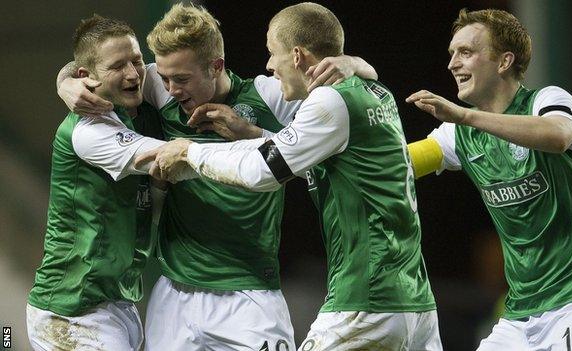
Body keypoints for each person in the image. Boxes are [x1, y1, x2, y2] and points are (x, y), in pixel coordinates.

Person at [57, 4, 378, 350]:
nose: (170, 88)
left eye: (181, 79)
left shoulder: (271, 96)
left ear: (216, 66)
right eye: (163, 78)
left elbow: (347, 99)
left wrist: (354, 64)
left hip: (251, 295)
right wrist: (64, 81)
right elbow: (105, 73)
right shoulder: (161, 85)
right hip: (174, 293)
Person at [137, 3, 442, 350]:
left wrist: (189, 153)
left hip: (365, 296)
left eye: (272, 52)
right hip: (414, 299)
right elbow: (289, 154)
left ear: (296, 56)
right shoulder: (377, 93)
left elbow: (261, 171)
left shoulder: (327, 102)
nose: (268, 64)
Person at [405, 8, 572, 350]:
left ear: (504, 61)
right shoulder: (458, 135)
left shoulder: (547, 100)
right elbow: (396, 166)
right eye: (452, 54)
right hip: (521, 312)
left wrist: (466, 116)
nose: (452, 64)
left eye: (466, 52)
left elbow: (559, 135)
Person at [26, 15, 169, 351]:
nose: (133, 73)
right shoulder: (89, 130)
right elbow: (173, 160)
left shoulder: (141, 104)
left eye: (136, 60)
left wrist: (63, 78)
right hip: (71, 311)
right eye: (118, 66)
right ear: (86, 78)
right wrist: (265, 150)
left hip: (118, 303)